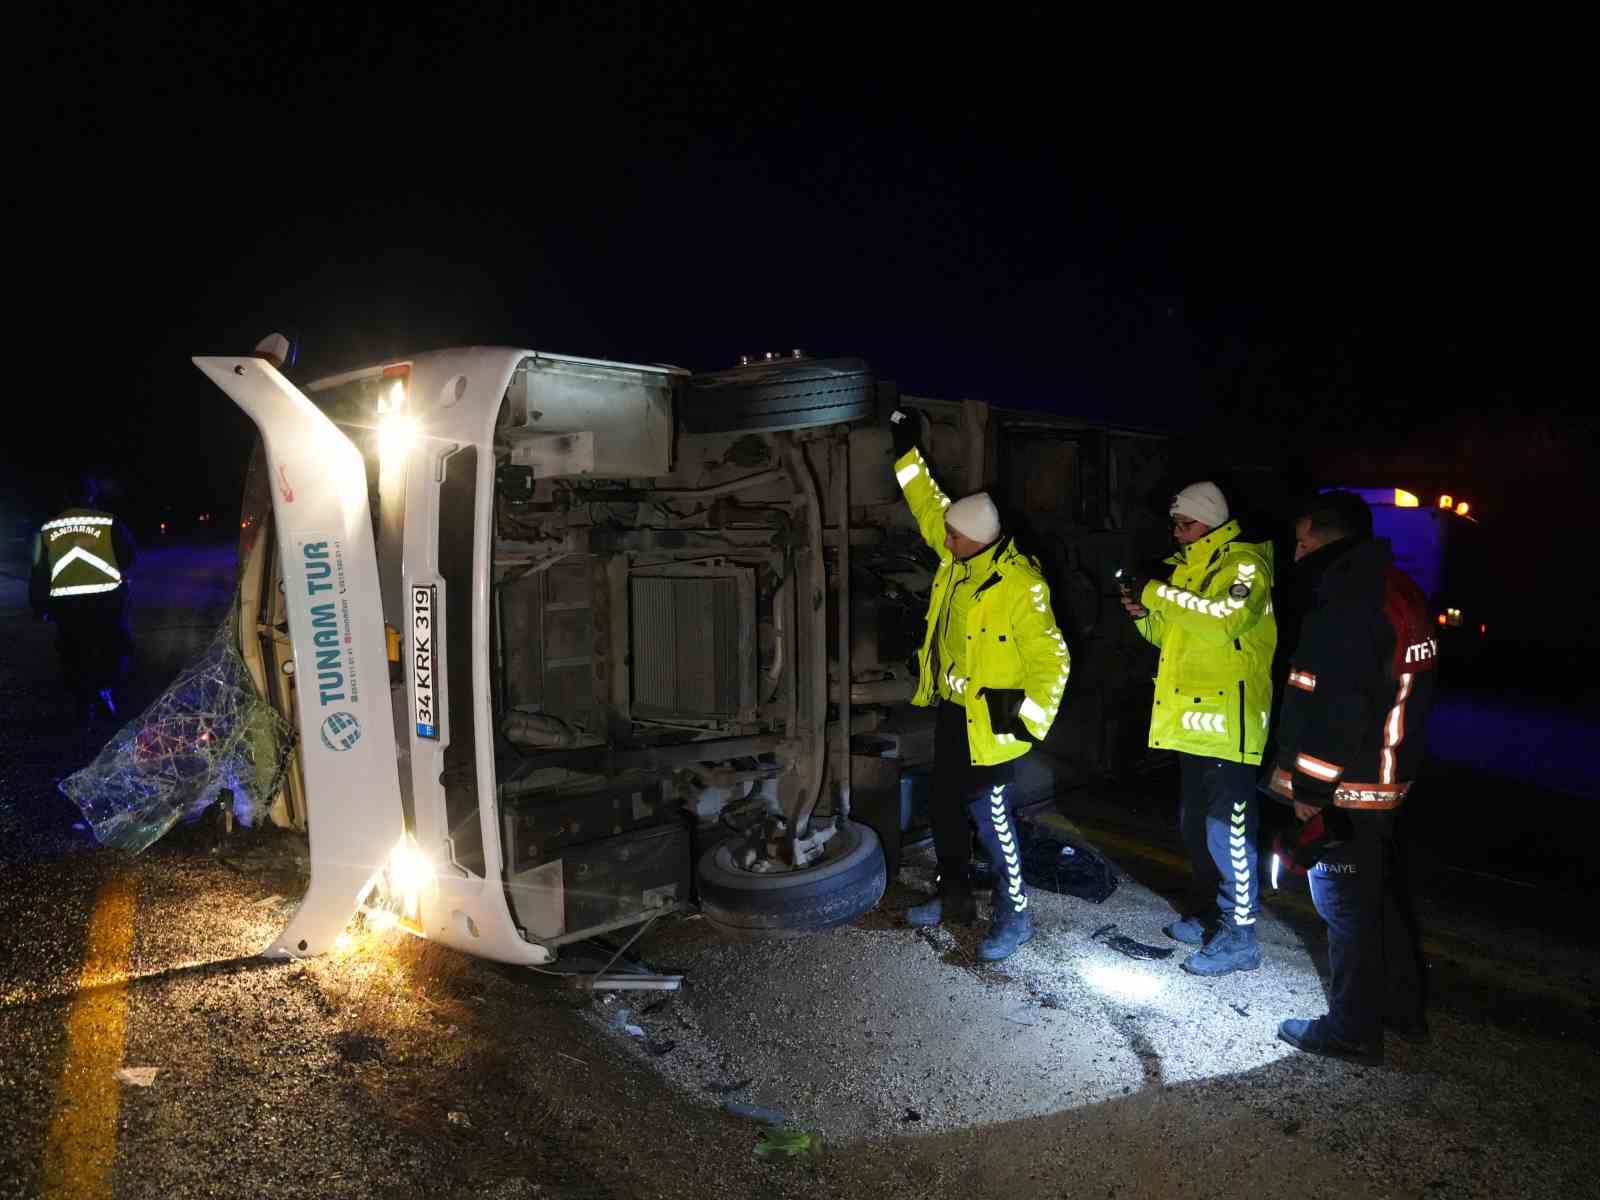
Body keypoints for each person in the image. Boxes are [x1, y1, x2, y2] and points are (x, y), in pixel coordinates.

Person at [889, 406, 1070, 961]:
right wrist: (904, 450)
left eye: (951, 534)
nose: (940, 535)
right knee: (944, 809)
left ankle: (1014, 916)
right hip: (953, 710)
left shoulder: (1020, 584)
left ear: (975, 539)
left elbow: (1052, 659)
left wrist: (1027, 725)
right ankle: (955, 901)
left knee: (990, 818)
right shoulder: (959, 556)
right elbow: (928, 503)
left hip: (993, 721)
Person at [1268, 490, 1434, 1062]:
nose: (1294, 554)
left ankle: (1352, 1031)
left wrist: (1309, 792)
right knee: (1377, 900)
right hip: (1386, 776)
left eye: (1302, 541)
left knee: (1345, 908)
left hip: (1348, 787)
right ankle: (1401, 1009)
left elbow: (1337, 706)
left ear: (1328, 539)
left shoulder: (1347, 602)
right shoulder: (1398, 588)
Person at [1120, 481, 1277, 975]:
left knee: (1226, 832)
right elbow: (1173, 637)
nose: (1177, 532)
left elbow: (1222, 622)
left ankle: (1241, 935)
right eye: (1176, 523)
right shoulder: (1190, 569)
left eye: (1185, 523)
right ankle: (1209, 911)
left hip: (1229, 723)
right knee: (1194, 825)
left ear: (1211, 520)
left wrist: (1156, 592)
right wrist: (1145, 615)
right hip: (1192, 721)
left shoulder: (1244, 565)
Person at [31, 474, 137, 724]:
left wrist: (39, 605)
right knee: (115, 647)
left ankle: (84, 702)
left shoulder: (47, 529)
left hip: (67, 608)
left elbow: (39, 571)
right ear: (93, 495)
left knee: (72, 653)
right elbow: (130, 556)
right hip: (106, 603)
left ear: (66, 496)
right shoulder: (109, 523)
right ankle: (104, 692)